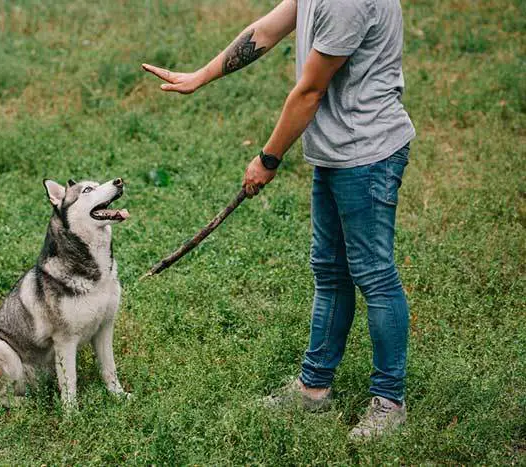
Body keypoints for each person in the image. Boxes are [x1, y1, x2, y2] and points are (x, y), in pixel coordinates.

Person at [142, 0, 415, 440]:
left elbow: (310, 92)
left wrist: (268, 158)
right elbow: (264, 32)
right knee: (330, 271)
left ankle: (389, 402)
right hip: (336, 151)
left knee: (374, 274)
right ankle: (313, 388)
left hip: (368, 154)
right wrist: (200, 76)